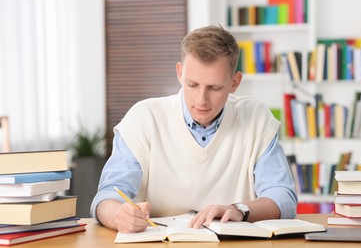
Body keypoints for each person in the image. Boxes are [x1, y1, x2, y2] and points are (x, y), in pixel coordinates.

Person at [90, 25, 297, 233]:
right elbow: (107, 196)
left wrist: (240, 209)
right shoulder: (143, 118)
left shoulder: (256, 118)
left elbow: (282, 197)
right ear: (180, 73)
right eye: (192, 84)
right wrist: (118, 216)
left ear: (234, 83)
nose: (201, 100)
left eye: (214, 88)